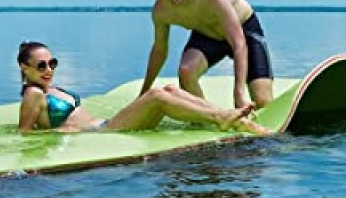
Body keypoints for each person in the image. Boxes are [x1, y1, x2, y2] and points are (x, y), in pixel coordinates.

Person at [17, 42, 270, 135]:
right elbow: (25, 134)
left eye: (52, 63)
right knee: (157, 96)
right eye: (41, 65)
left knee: (170, 88)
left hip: (105, 123)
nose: (49, 70)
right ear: (24, 68)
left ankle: (230, 118)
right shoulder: (33, 94)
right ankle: (221, 118)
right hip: (103, 132)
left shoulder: (50, 88)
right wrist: (63, 133)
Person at [141, 0, 274, 109]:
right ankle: (208, 116)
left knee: (263, 102)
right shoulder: (161, 10)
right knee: (186, 71)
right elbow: (159, 50)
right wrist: (144, 92)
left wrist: (238, 94)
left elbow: (238, 42)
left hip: (244, 31)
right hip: (207, 35)